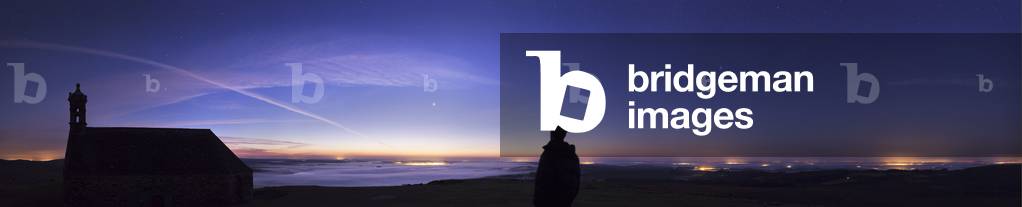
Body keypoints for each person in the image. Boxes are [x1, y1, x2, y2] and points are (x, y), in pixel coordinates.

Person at [533, 126, 580, 207]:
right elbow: (576, 182)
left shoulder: (549, 154)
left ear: (552, 134)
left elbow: (542, 181)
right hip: (566, 202)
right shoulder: (572, 155)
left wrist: (537, 202)